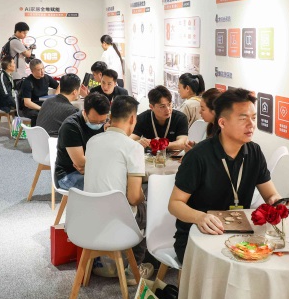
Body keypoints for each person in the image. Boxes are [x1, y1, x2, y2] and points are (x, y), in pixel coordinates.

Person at [168, 88, 283, 263]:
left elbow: (271, 194)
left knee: (272, 261)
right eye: (243, 118)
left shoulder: (254, 152)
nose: (251, 124)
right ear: (222, 122)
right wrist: (200, 217)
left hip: (240, 236)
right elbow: (175, 204)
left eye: (253, 118)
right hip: (199, 236)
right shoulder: (198, 156)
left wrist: (276, 201)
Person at [84, 95, 154, 286]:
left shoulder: (92, 141)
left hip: (86, 219)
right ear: (132, 119)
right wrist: (143, 197)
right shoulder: (133, 148)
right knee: (146, 208)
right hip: (117, 221)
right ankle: (133, 269)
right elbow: (133, 197)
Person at [54, 93, 111, 191]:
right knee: (108, 188)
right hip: (69, 174)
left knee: (118, 183)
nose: (98, 125)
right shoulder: (71, 127)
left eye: (102, 122)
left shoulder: (105, 122)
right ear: (84, 112)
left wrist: (93, 166)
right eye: (94, 121)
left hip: (91, 171)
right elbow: (80, 163)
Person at [130, 85, 189, 151]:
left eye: (169, 104)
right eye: (162, 106)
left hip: (173, 155)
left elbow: (182, 143)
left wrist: (160, 144)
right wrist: (138, 142)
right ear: (151, 107)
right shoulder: (143, 118)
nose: (168, 109)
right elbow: (129, 140)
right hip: (150, 155)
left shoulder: (180, 118)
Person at [19, 59, 59, 126]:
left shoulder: (46, 78)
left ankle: (52, 131)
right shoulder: (27, 82)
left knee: (59, 111)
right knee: (38, 115)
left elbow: (59, 86)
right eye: (39, 70)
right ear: (32, 71)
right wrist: (41, 109)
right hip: (31, 108)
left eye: (43, 68)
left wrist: (56, 95)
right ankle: (36, 132)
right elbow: (27, 103)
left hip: (44, 105)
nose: (42, 71)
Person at [184, 87, 221, 152]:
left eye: (203, 109)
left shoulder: (222, 134)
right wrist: (195, 146)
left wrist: (193, 153)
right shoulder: (211, 127)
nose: (200, 112)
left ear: (214, 111)